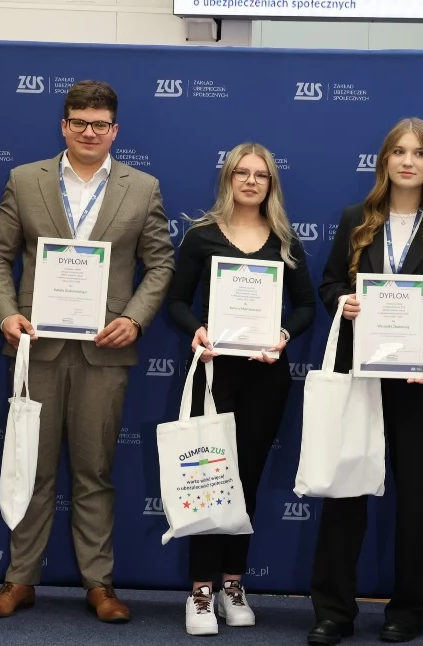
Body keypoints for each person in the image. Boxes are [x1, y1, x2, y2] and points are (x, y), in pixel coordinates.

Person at [0, 80, 175, 623]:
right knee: (31, 469)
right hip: (34, 348)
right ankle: (19, 580)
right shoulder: (25, 179)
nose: (90, 132)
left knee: (94, 472)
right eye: (79, 123)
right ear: (64, 126)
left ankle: (99, 584)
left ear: (115, 130)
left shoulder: (143, 188)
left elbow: (161, 263)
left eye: (101, 124)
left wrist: (134, 318)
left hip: (103, 353)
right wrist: (4, 313)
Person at [307, 117, 423, 645]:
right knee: (344, 497)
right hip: (359, 380)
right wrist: (343, 300)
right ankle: (333, 611)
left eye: (419, 153)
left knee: (419, 505)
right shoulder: (355, 219)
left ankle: (408, 610)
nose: (408, 161)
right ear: (384, 161)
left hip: (421, 385)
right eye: (399, 152)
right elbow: (330, 282)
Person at [164, 142, 316, 636]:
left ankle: (233, 583)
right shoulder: (201, 236)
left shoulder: (285, 241)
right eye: (242, 173)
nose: (251, 182)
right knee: (209, 480)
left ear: (272, 184)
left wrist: (284, 335)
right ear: (228, 179)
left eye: (262, 175)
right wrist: (198, 330)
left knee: (245, 479)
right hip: (213, 372)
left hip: (266, 374)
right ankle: (200, 590)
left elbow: (306, 306)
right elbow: (177, 302)